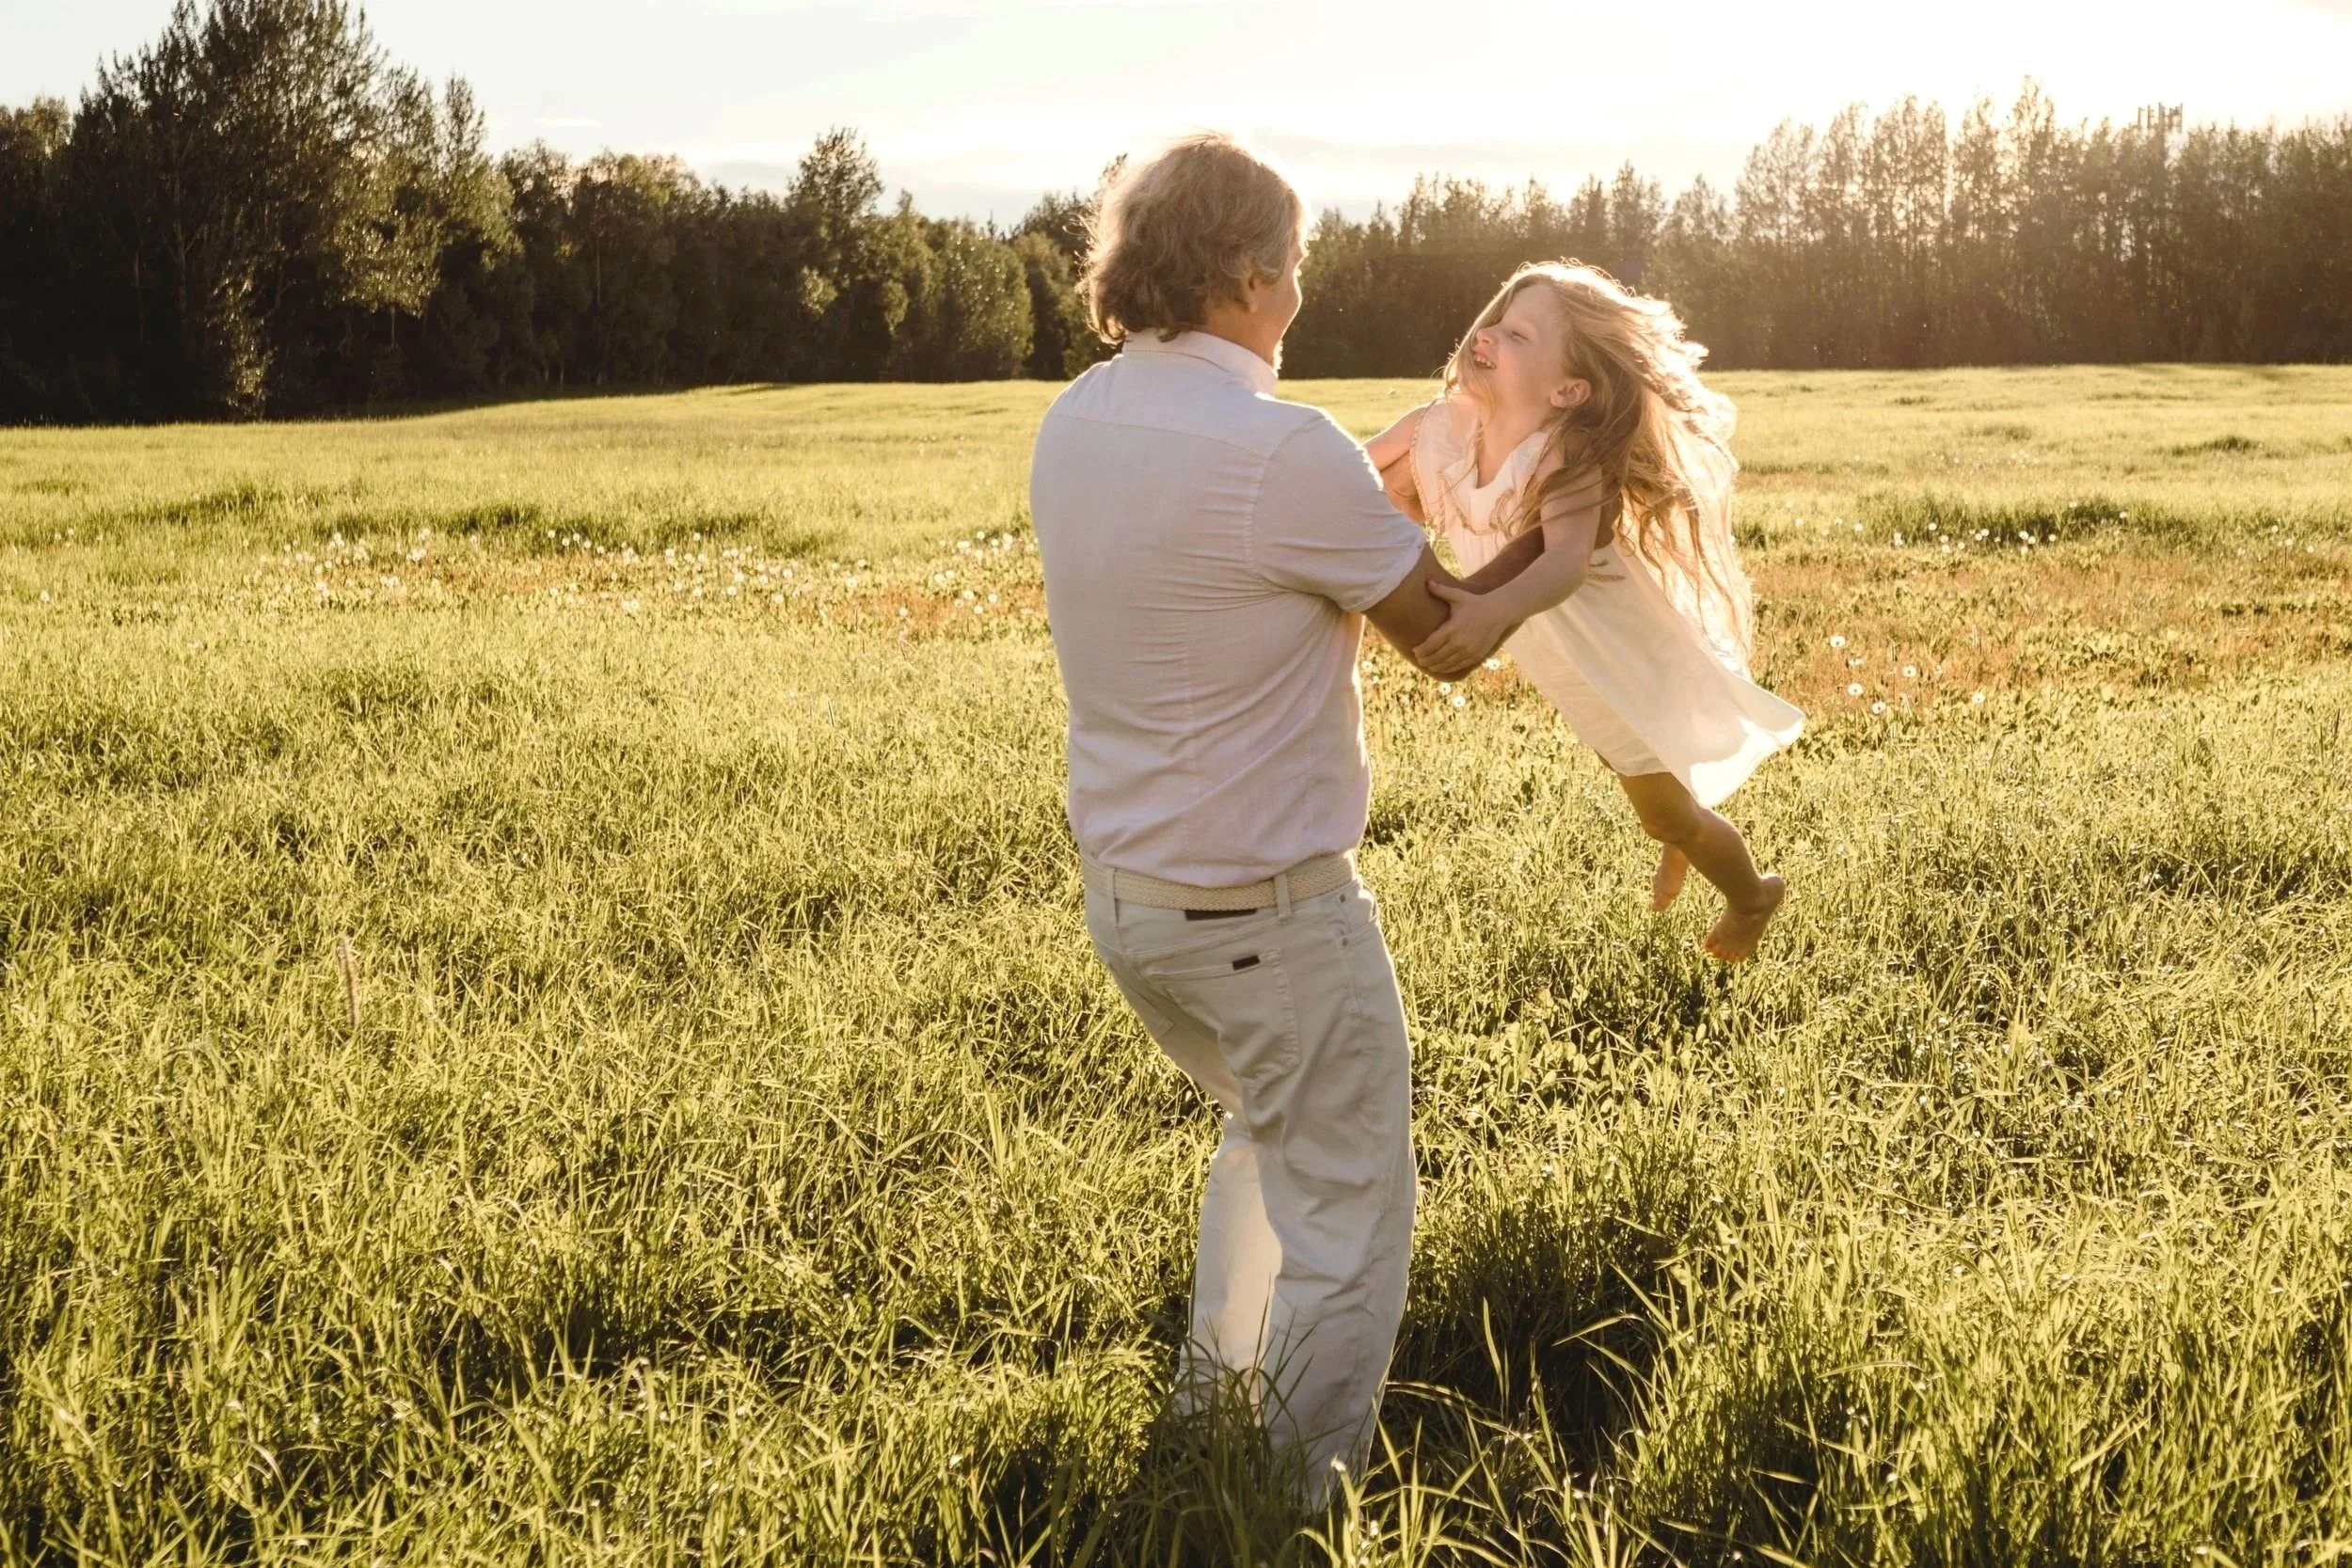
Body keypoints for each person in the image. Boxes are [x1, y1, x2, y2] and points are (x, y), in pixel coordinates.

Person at [1027, 134, 1549, 1499]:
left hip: (1134, 912)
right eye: (1300, 267)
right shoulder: (1280, 453)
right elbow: (1441, 640)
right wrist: (1567, 557)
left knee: (1270, 1137)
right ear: (1250, 272)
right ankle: (1291, 1504)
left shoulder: (1078, 418)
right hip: (1268, 920)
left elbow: (1258, 529)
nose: (1305, 294)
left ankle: (1221, 1414)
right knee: (1353, 1215)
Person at [1363, 261, 1804, 964]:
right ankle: (1678, 832)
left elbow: (1562, 563)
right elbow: (1356, 470)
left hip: (1615, 651)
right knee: (1620, 761)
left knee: (1660, 804)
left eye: (1518, 334)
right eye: (1495, 321)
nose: (1489, 335)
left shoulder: (1565, 455)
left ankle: (1751, 891)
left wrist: (1487, 610)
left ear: (1567, 389)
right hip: (1559, 654)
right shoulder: (1441, 428)